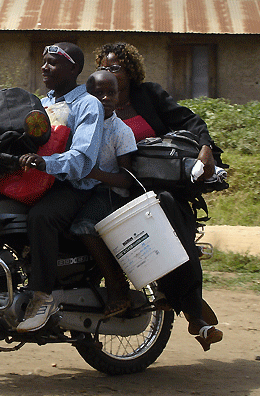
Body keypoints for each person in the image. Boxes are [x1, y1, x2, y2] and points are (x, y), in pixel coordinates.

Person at [94, 41, 223, 351]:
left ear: (130, 71)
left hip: (155, 185)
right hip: (114, 187)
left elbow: (191, 122)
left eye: (116, 68)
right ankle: (191, 309)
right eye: (103, 67)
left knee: (166, 206)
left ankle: (193, 313)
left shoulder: (148, 95)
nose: (109, 73)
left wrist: (206, 150)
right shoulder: (94, 101)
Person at [15, 42, 105, 333]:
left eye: (53, 63)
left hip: (75, 186)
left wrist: (46, 164)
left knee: (42, 217)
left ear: (74, 69)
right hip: (41, 181)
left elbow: (82, 159)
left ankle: (43, 295)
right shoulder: (42, 104)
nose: (44, 67)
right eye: (43, 61)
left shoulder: (87, 105)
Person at [69, 69, 137, 317]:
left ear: (120, 96)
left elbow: (127, 180)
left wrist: (95, 173)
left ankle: (116, 284)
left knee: (83, 226)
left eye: (111, 93)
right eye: (98, 94)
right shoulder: (78, 124)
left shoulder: (120, 131)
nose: (105, 98)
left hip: (110, 193)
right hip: (84, 190)